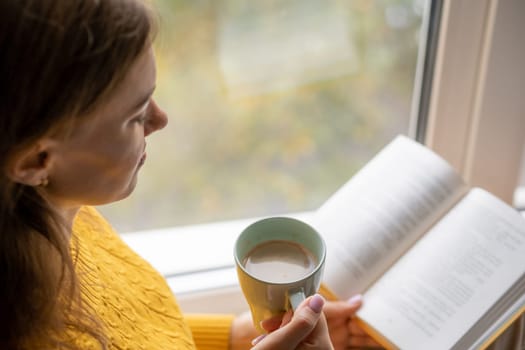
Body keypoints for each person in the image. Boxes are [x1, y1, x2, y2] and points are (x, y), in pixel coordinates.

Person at [0, 0, 380, 349]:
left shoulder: (65, 212)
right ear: (35, 161)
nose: (160, 119)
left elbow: (135, 329)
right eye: (134, 116)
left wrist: (233, 337)